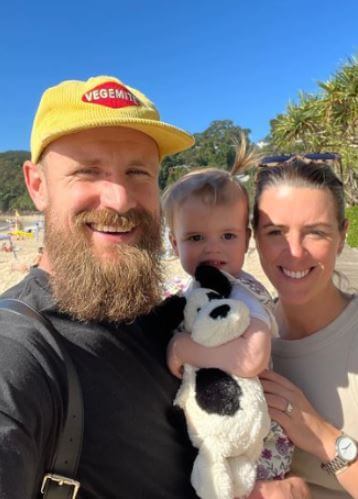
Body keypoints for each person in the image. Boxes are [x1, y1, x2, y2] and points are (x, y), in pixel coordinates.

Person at [0, 75, 202, 498]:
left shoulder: (175, 319)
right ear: (37, 185)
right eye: (88, 171)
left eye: (138, 172)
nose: (120, 199)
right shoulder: (19, 349)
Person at [161, 140, 294, 484]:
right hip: (209, 428)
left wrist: (182, 348)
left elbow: (252, 357)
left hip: (254, 443)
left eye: (228, 235)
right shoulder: (184, 290)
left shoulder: (243, 292)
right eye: (195, 237)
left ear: (247, 239)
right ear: (174, 244)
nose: (212, 248)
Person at [248, 155, 358, 498]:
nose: (294, 252)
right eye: (276, 232)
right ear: (254, 236)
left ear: (342, 236)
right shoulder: (241, 332)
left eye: (316, 233)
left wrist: (323, 437)